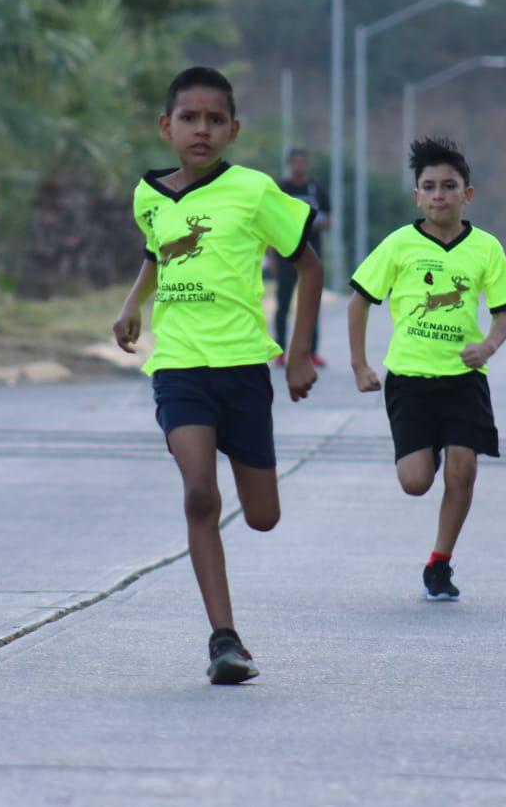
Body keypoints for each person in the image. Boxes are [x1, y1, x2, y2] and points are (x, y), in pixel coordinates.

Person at [111, 67, 321, 685]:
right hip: (179, 367)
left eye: (213, 120)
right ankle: (224, 641)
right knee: (200, 494)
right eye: (188, 118)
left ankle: (228, 629)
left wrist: (300, 353)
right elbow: (157, 253)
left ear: (233, 129)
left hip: (243, 371)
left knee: (262, 517)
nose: (200, 129)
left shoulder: (255, 191)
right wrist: (132, 305)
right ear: (166, 126)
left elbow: (309, 268)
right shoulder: (149, 194)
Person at [347, 137, 506, 601]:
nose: (440, 195)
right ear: (416, 195)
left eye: (449, 185)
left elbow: (503, 314)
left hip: (464, 380)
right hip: (410, 380)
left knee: (463, 471)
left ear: (468, 193)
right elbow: (359, 298)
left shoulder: (486, 248)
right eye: (429, 187)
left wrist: (488, 346)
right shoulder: (399, 244)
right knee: (417, 481)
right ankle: (429, 448)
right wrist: (360, 364)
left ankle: (439, 564)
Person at [272, 148, 331, 367]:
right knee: (283, 304)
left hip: (312, 257)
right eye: (294, 162)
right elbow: (271, 223)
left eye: (301, 161)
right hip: (285, 255)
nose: (298, 165)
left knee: (310, 304)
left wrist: (306, 222)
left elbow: (327, 219)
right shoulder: (281, 188)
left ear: (306, 164)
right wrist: (271, 256)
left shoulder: (316, 188)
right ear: (289, 165)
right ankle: (280, 351)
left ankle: (311, 351)